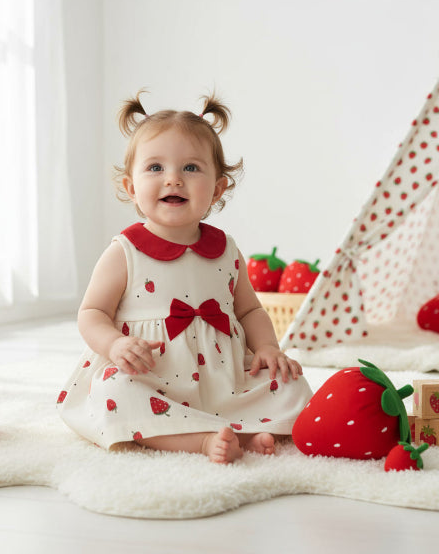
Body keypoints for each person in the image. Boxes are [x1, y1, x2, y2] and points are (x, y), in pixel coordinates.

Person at [58, 91, 313, 463]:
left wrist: (268, 349)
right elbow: (91, 313)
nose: (173, 179)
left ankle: (243, 431)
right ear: (131, 187)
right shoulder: (125, 252)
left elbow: (250, 311)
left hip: (223, 379)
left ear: (218, 188)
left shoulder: (226, 249)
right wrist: (115, 346)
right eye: (155, 168)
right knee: (115, 391)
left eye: (191, 168)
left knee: (292, 383)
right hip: (153, 375)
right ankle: (202, 440)